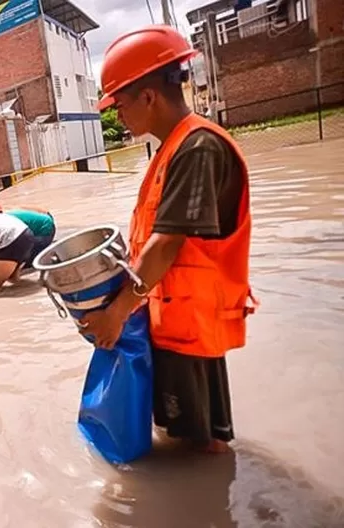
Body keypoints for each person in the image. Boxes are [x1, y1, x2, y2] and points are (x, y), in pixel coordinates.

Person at [79, 25, 255, 454]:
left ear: (149, 97)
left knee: (202, 446)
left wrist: (118, 311)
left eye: (118, 106)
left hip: (192, 325)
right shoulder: (171, 149)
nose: (117, 117)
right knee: (179, 434)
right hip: (170, 318)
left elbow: (167, 244)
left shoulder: (198, 148)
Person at [0, 201, 56, 265]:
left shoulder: (8, 220)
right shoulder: (5, 217)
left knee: (23, 260)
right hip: (42, 227)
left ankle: (48, 255)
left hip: (45, 231)